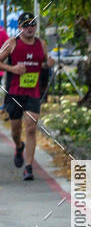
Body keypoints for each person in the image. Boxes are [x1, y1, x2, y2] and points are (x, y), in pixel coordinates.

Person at [0, 12, 55, 180]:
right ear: (19, 28)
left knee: (31, 127)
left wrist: (48, 64)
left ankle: (29, 167)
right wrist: (13, 69)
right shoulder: (11, 43)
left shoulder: (41, 44)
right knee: (16, 129)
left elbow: (43, 63)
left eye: (32, 24)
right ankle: (18, 146)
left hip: (33, 92)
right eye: (25, 25)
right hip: (15, 92)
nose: (29, 28)